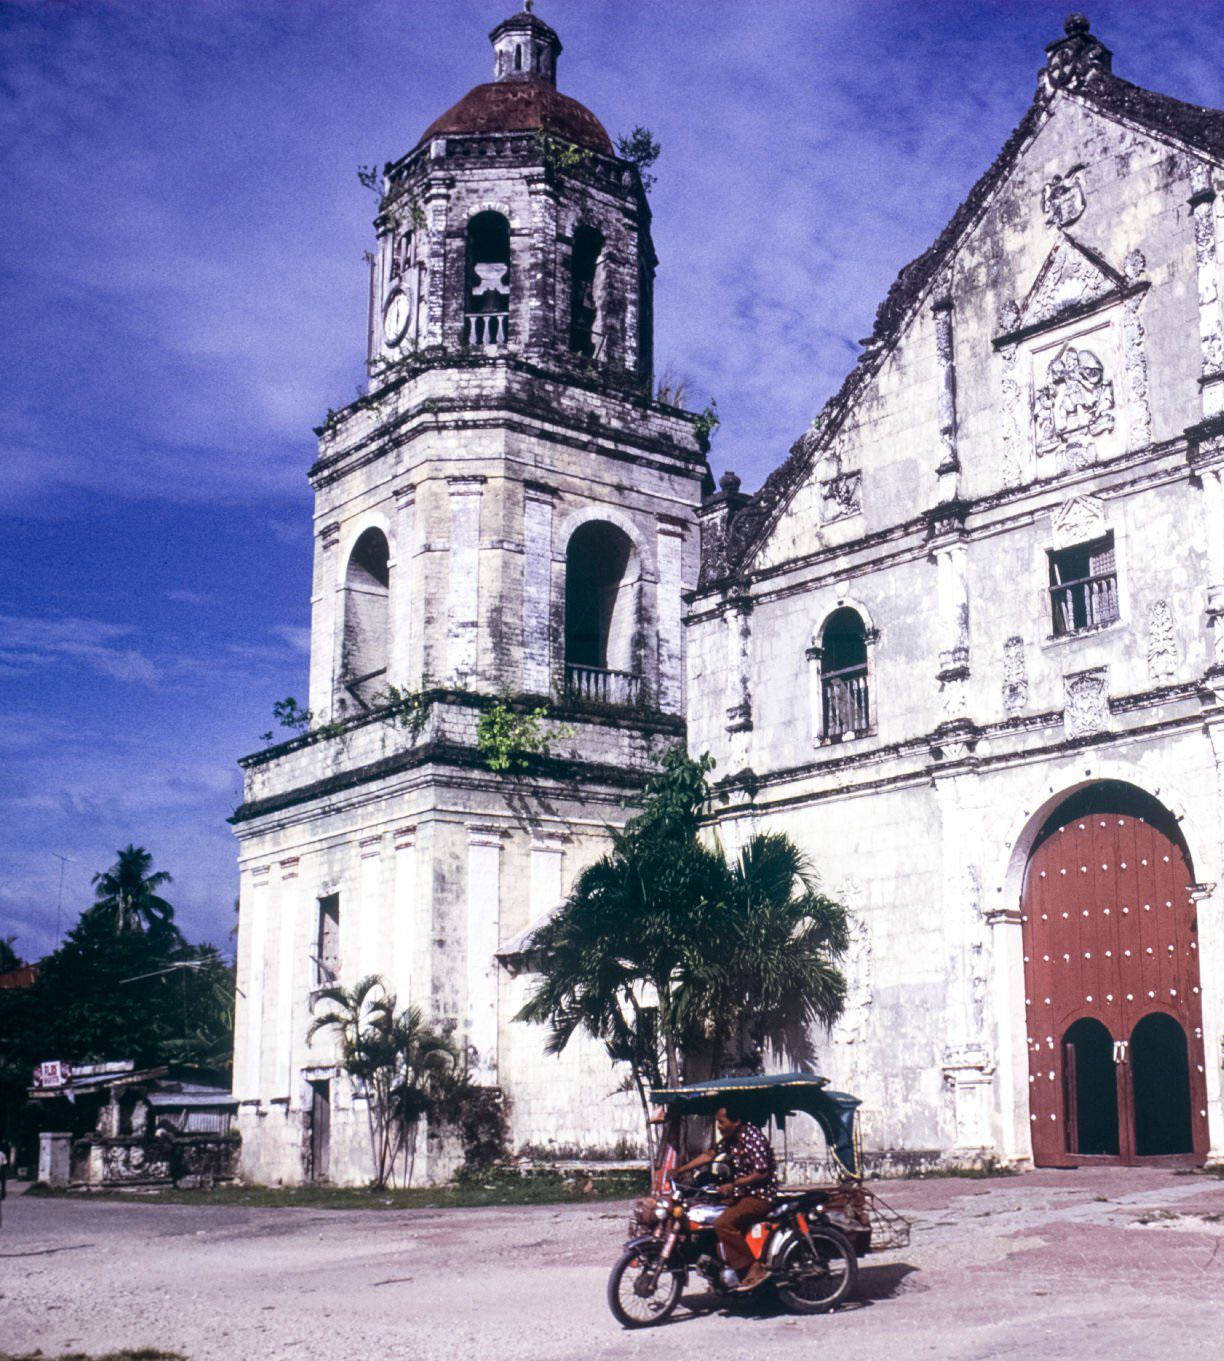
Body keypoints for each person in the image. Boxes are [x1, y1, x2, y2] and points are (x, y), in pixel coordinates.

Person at [674, 1103, 779, 1292]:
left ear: (736, 1121)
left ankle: (752, 1269)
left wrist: (734, 1185)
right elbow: (709, 1155)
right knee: (703, 1211)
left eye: (721, 1122)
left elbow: (761, 1173)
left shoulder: (752, 1138)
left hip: (760, 1196)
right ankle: (719, 1269)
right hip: (741, 1194)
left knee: (723, 1223)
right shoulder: (730, 1139)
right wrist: (679, 1171)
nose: (719, 1126)